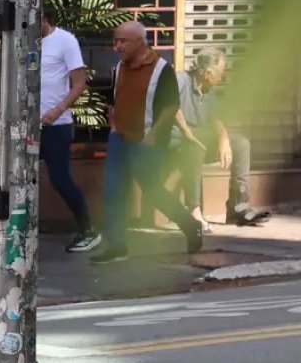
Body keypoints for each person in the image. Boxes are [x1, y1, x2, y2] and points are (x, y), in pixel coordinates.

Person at [92, 21, 202, 264]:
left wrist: (153, 136)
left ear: (139, 42)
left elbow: (171, 106)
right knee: (113, 191)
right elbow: (114, 99)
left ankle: (189, 224)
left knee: (152, 190)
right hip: (120, 139)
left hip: (147, 141)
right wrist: (113, 126)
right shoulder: (119, 67)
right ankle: (117, 246)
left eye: (123, 41)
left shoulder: (162, 69)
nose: (117, 46)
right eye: (115, 41)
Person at [171, 47, 270, 230]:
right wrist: (187, 132)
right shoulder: (180, 80)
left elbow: (215, 117)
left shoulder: (208, 90)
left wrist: (223, 139)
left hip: (198, 141)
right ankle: (194, 211)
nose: (222, 77)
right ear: (207, 72)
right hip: (177, 141)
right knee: (194, 147)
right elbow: (171, 105)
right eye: (220, 72)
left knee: (241, 144)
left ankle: (237, 207)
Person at [40, 7, 101, 253]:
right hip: (23, 125)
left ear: (43, 18)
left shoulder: (65, 40)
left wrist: (58, 109)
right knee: (13, 181)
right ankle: (10, 240)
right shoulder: (18, 40)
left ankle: (88, 230)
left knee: (60, 179)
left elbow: (79, 84)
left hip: (56, 125)